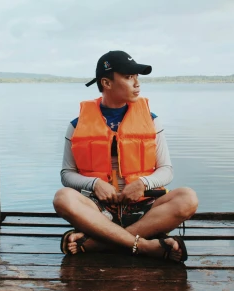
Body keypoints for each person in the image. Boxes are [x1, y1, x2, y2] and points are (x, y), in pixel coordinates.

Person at [52, 50, 199, 262]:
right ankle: (146, 245)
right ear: (107, 83)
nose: (137, 84)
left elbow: (166, 170)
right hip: (99, 209)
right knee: (63, 198)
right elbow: (67, 174)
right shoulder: (76, 125)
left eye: (137, 78)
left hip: (145, 207)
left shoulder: (152, 120)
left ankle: (97, 243)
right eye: (129, 77)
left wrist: (142, 183)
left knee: (188, 198)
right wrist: (95, 184)